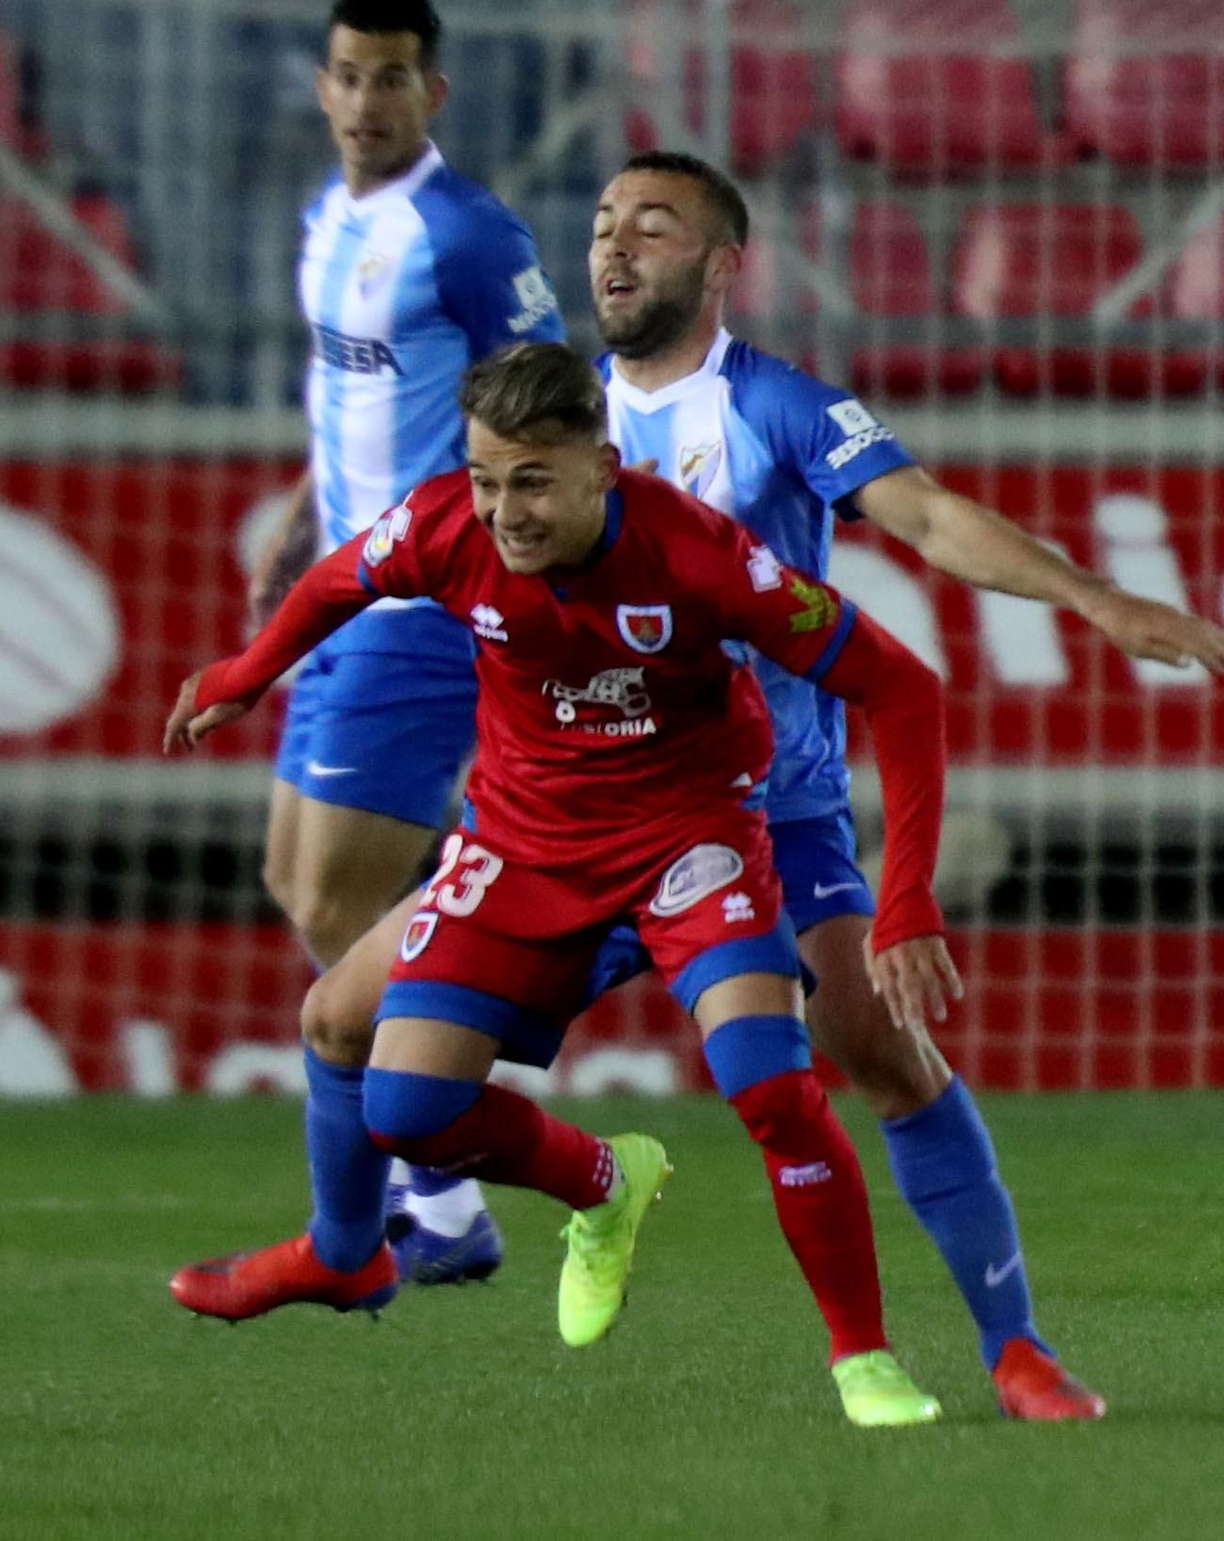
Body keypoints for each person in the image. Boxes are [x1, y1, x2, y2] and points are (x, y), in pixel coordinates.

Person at [257, 151, 1224, 1423]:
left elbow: (931, 519)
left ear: (722, 265)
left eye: (654, 229)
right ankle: (359, 1250)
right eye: (606, 224)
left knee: (884, 1063)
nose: (615, 249)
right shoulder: (558, 421)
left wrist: (1089, 594)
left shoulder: (771, 406)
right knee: (342, 1019)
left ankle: (1015, 1351)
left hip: (758, 821)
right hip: (563, 825)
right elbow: (433, 522)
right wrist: (312, 511)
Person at [166, 341, 955, 1428]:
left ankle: (864, 1361)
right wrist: (245, 673)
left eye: (532, 481)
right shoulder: (449, 526)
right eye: (488, 480)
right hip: (525, 847)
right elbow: (339, 576)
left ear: (602, 463)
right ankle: (599, 1184)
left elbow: (901, 691)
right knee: (400, 1104)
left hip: (690, 841)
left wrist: (903, 894)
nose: (504, 512)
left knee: (771, 1088)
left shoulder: (699, 555)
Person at [249, 0, 565, 1283]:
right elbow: (353, 396)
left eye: (393, 79)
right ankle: (443, 1173)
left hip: (428, 599)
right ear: (320, 87)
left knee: (335, 892)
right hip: (341, 582)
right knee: (297, 882)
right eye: (348, 75)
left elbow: (550, 399)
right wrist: (299, 503)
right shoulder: (329, 221)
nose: (367, 101)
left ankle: (449, 1179)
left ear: (432, 93)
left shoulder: (470, 235)